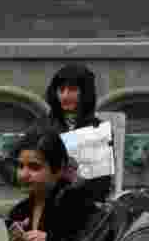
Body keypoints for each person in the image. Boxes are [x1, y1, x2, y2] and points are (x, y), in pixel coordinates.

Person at [3, 127, 99, 241]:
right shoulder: (19, 213)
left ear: (58, 169)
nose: (24, 174)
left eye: (34, 167)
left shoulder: (77, 205)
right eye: (20, 166)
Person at [44, 62, 112, 201]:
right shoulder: (44, 124)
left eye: (72, 90)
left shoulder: (97, 128)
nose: (65, 96)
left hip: (83, 202)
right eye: (61, 90)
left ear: (85, 93)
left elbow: (102, 186)